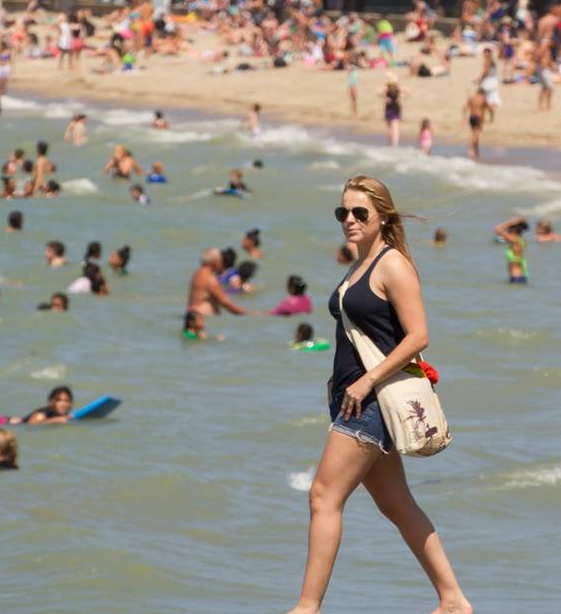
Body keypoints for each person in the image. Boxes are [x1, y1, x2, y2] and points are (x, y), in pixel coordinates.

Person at [289, 175, 470, 614]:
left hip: (371, 402)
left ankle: (307, 608)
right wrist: (338, 381)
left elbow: (418, 335)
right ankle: (453, 600)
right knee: (395, 504)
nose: (348, 220)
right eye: (342, 213)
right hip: (353, 398)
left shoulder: (392, 265)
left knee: (323, 496)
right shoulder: (359, 265)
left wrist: (366, 380)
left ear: (382, 216)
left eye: (359, 213)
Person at [186, 248, 249, 318]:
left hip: (194, 316)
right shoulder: (210, 279)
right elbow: (227, 304)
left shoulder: (198, 274)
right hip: (203, 318)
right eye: (221, 260)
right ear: (216, 262)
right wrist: (251, 314)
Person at [494, 217, 530, 284]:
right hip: (518, 278)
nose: (507, 230)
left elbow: (497, 230)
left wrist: (509, 223)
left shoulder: (515, 240)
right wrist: (516, 221)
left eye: (509, 228)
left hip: (517, 278)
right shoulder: (519, 240)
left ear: (514, 229)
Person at [462, 88, 493, 160]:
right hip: (479, 117)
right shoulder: (483, 98)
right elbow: (490, 109)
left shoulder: (471, 97)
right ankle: (471, 149)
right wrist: (492, 118)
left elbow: (464, 108)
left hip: (471, 117)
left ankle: (477, 152)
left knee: (475, 134)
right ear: (482, 93)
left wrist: (464, 118)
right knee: (476, 134)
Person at [380, 76, 404, 147]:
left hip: (389, 107)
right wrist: (400, 98)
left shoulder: (387, 87)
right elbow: (408, 92)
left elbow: (379, 92)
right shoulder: (397, 87)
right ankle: (395, 144)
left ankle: (391, 144)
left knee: (390, 127)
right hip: (396, 107)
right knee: (395, 126)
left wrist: (386, 98)